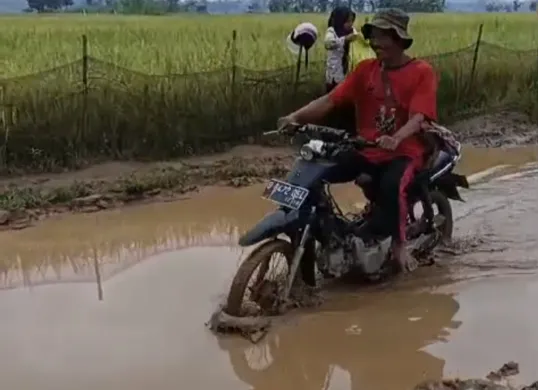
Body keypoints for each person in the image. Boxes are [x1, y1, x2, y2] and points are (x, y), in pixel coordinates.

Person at [278, 8, 438, 273]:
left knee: (391, 184)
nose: (375, 43)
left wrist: (396, 138)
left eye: (381, 37)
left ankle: (399, 246)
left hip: (405, 151)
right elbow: (330, 100)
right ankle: (329, 232)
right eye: (373, 36)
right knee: (319, 170)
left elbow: (420, 117)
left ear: (398, 40)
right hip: (367, 148)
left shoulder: (422, 72)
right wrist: (295, 117)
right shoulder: (365, 70)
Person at [324, 6, 359, 92]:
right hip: (334, 73)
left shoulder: (352, 31)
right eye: (347, 21)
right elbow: (328, 43)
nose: (350, 24)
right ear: (340, 20)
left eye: (352, 21)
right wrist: (345, 39)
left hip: (348, 71)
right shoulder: (332, 31)